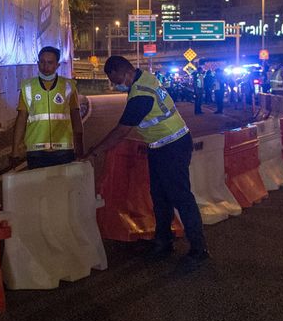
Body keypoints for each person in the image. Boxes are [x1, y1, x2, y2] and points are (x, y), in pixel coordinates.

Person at [86, 56, 209, 262]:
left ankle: (199, 247)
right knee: (160, 197)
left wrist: (96, 151)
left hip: (173, 145)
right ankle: (163, 241)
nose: (114, 84)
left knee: (180, 197)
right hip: (160, 147)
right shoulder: (145, 78)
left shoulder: (141, 94)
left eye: (115, 79)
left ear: (123, 72)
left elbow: (122, 131)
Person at [10, 46, 84, 170]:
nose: (46, 66)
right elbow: (21, 118)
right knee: (39, 188)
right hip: (36, 151)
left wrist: (80, 145)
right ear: (38, 64)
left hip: (64, 150)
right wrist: (15, 150)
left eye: (50, 63)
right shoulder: (28, 87)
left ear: (57, 65)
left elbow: (76, 117)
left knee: (63, 188)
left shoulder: (68, 86)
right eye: (42, 62)